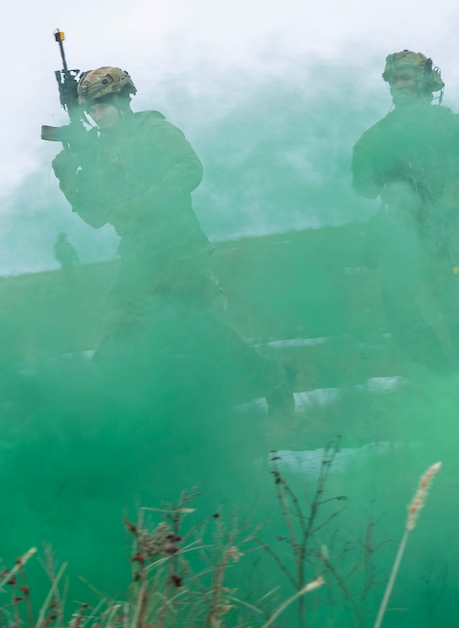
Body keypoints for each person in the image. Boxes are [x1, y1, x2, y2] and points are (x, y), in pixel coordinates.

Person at [49, 66, 292, 410]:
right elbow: (95, 216)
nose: (97, 114)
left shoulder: (154, 130)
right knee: (118, 332)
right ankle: (108, 417)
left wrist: (143, 204)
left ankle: (274, 380)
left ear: (122, 99)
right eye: (91, 110)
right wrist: (68, 181)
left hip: (180, 249)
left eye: (103, 105)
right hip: (138, 256)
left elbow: (189, 168)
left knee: (205, 331)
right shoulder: (100, 153)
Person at [351, 50, 459, 370]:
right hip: (402, 238)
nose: (401, 85)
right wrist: (383, 179)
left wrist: (440, 212)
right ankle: (442, 379)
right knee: (401, 316)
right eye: (395, 79)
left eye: (407, 79)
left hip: (449, 234)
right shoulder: (375, 137)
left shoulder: (449, 126)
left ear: (425, 82)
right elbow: (363, 187)